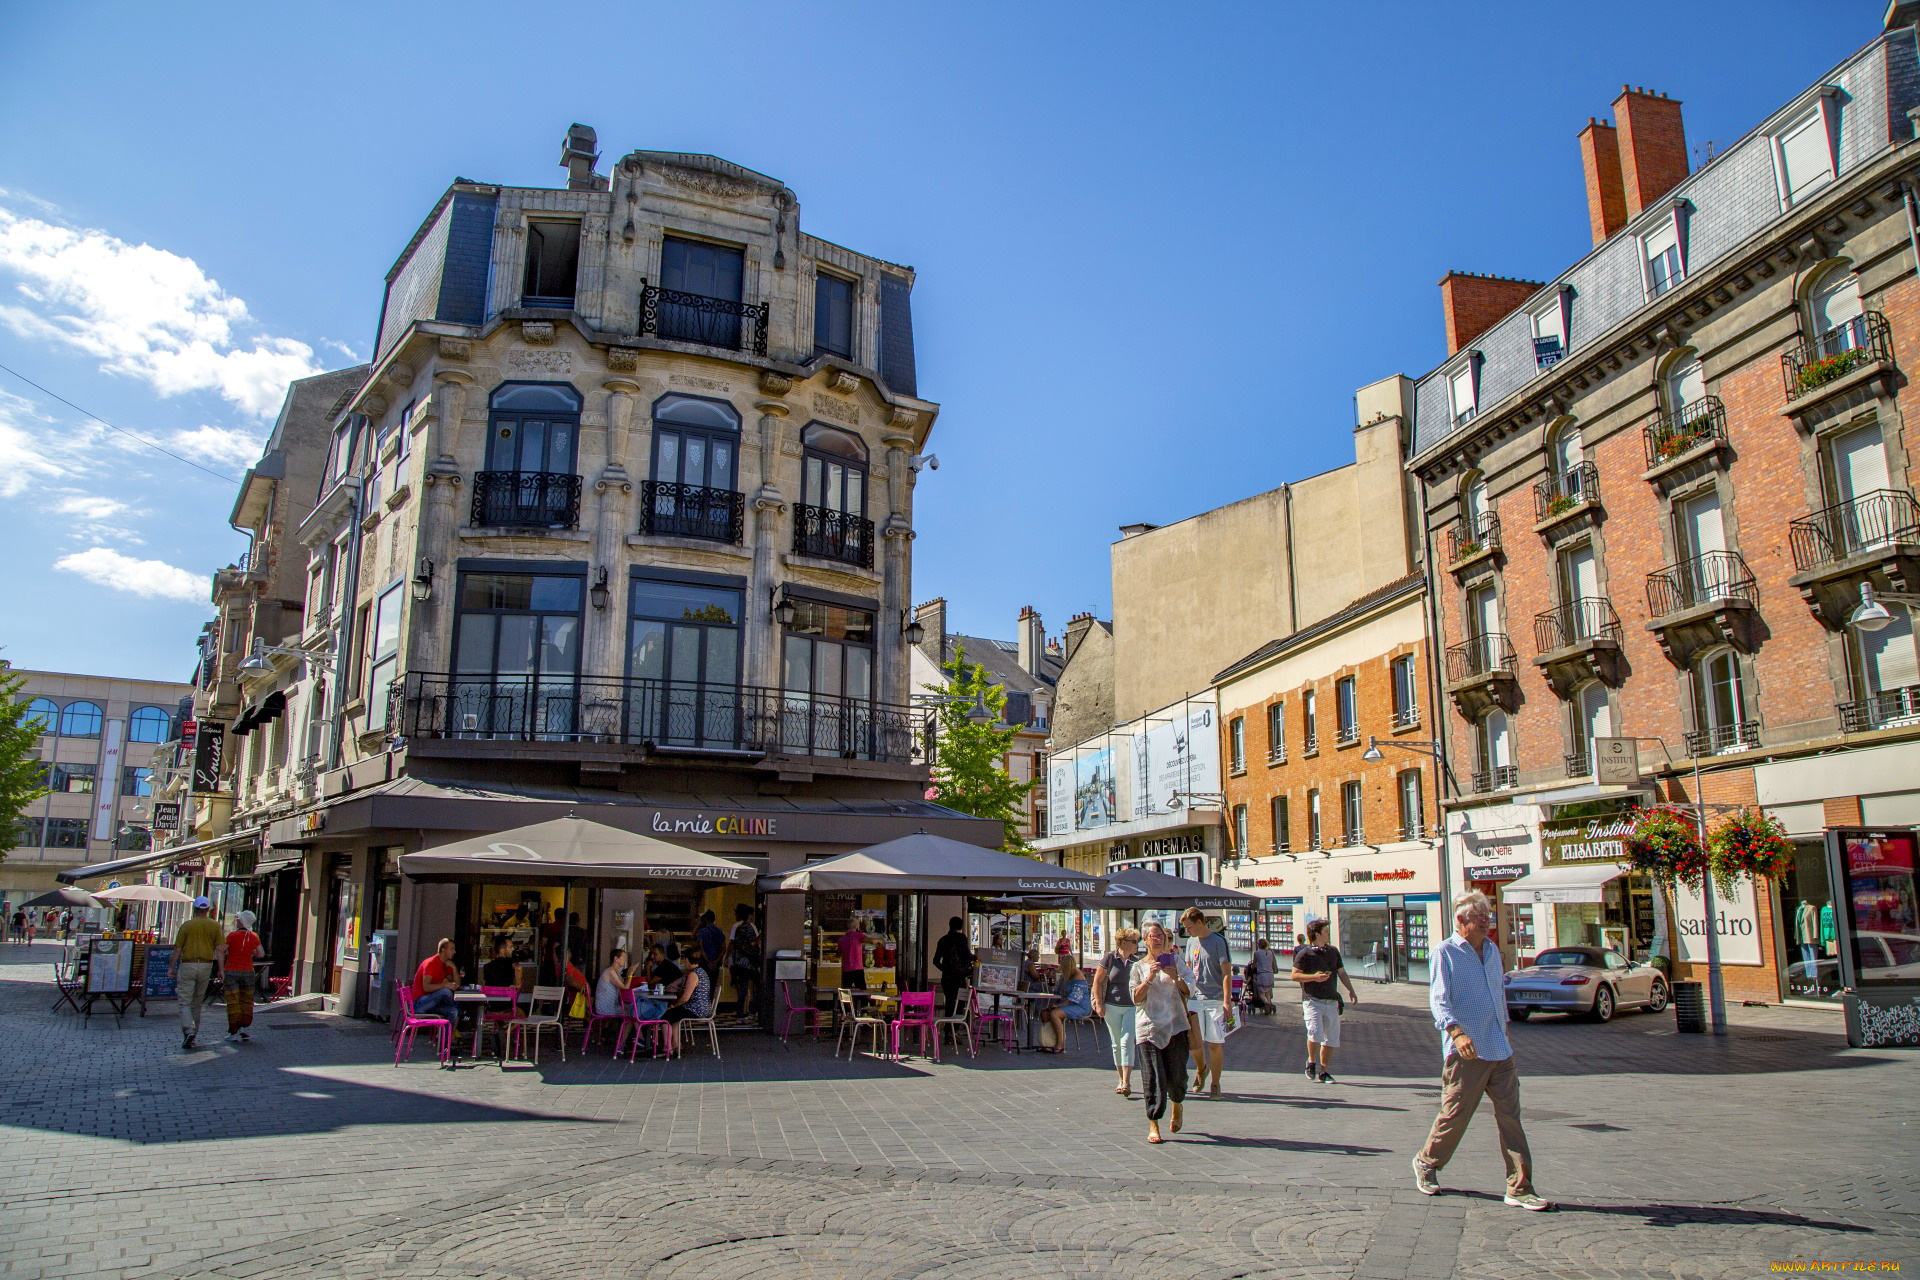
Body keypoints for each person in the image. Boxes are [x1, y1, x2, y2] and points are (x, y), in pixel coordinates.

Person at [1413, 891, 1548, 1211]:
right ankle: (1426, 1161)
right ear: (1461, 920)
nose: (1488, 923)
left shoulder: (1491, 952)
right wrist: (1456, 1033)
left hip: (1499, 1049)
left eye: (1488, 917)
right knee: (1455, 1115)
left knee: (1510, 1118)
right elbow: (1439, 1000)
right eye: (1482, 918)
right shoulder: (1444, 952)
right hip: (1466, 1051)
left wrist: (1505, 1027)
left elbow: (1497, 994)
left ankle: (1519, 1186)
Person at [1130, 921, 1194, 1144]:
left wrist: (1176, 977)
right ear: (1145, 941)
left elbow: (1191, 990)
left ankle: (1177, 1103)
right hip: (1148, 1028)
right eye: (1152, 936)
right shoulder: (1138, 967)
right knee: (1153, 1076)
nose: (1157, 939)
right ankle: (1153, 1123)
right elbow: (1136, 999)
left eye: (1160, 936)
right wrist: (1149, 978)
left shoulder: (1175, 961)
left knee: (1176, 1076)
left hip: (1175, 1024)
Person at [1291, 918, 1359, 1083]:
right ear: (1316, 934)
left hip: (1331, 1000)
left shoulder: (1333, 951)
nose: (1329, 934)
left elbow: (1341, 972)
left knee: (1331, 1038)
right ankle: (1311, 1061)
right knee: (1315, 1033)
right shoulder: (1305, 953)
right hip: (1312, 1000)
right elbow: (1294, 975)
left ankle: (1324, 1071)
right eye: (1326, 932)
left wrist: (1351, 989)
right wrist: (1314, 977)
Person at [1180, 907, 1232, 1098]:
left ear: (1200, 923)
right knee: (1193, 1042)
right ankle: (1202, 1068)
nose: (1188, 931)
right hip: (1194, 998)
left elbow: (1226, 973)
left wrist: (1227, 1001)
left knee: (1213, 1043)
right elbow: (1187, 969)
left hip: (1214, 999)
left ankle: (1216, 1083)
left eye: (1190, 926)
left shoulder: (1218, 942)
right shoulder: (1191, 942)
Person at [169, 898, 225, 1051]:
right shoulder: (215, 926)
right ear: (208, 910)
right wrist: (221, 970)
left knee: (184, 1001)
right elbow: (220, 950)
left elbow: (178, 949)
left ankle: (189, 1030)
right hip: (206, 965)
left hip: (188, 965)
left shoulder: (187, 925)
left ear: (194, 909)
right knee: (197, 1002)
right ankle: (193, 1035)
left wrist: (171, 967)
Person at [1092, 927, 1140, 1097]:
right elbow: (1097, 982)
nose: (1137, 944)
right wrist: (1099, 1004)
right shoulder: (1110, 958)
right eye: (1134, 941)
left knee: (1127, 1040)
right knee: (1116, 1042)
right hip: (1111, 1005)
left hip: (1132, 1006)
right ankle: (1120, 1078)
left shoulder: (1137, 960)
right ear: (1123, 942)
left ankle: (1126, 1081)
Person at [221, 910, 262, 1043]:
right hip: (248, 971)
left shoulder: (232, 936)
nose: (236, 921)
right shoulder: (253, 936)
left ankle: (233, 1031)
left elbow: (222, 950)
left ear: (241, 922)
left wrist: (221, 969)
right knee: (246, 1000)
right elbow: (261, 953)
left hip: (232, 970)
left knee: (233, 1001)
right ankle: (243, 1028)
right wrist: (251, 951)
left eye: (238, 919)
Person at [1040, 954, 1092, 1053]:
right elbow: (1057, 990)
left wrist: (1059, 1005)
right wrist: (1053, 1000)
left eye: (1061, 963)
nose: (1059, 965)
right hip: (1066, 1004)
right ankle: (1050, 1040)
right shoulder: (1065, 976)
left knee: (1055, 1014)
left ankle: (1060, 1043)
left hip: (1079, 1006)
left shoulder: (1078, 976)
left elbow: (1075, 998)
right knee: (1045, 1012)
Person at [663, 955, 713, 1054]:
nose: (684, 963)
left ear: (689, 961)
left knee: (666, 1014)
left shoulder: (693, 975)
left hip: (697, 1009)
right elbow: (674, 985)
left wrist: (673, 1005)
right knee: (675, 1016)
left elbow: (685, 998)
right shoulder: (700, 972)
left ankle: (667, 1047)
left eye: (685, 960)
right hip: (703, 1008)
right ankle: (676, 1045)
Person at [411, 938, 462, 1025]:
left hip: (432, 1004)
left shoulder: (445, 965)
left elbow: (456, 984)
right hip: (418, 1004)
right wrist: (445, 985)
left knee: (453, 1011)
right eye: (452, 949)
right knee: (445, 991)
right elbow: (426, 987)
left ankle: (444, 1038)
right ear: (443, 950)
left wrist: (454, 969)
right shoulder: (431, 963)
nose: (454, 952)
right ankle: (462, 1011)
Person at [724, 903, 761, 1020]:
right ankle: (752, 1009)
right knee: (758, 985)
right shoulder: (752, 927)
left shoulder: (737, 927)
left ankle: (740, 1011)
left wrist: (727, 958)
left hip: (739, 962)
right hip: (750, 962)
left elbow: (732, 943)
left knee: (742, 987)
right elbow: (753, 944)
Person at [932, 916, 973, 1017]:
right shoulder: (962, 938)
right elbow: (966, 955)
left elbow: (935, 961)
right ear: (961, 926)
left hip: (947, 978)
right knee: (960, 1002)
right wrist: (976, 958)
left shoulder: (942, 940)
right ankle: (956, 1026)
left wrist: (945, 970)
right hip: (959, 978)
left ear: (949, 925)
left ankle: (947, 1028)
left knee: (949, 1002)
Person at [595, 949, 634, 1018]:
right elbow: (625, 988)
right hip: (605, 1007)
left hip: (610, 1005)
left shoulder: (616, 972)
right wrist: (630, 974)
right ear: (616, 958)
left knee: (632, 1009)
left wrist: (628, 975)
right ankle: (629, 1029)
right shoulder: (611, 972)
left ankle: (626, 1029)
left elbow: (624, 984)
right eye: (624, 957)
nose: (625, 960)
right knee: (633, 1010)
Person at [694, 910, 725, 987]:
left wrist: (708, 961)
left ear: (705, 919)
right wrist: (715, 962)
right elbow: (723, 949)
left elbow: (701, 948)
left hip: (705, 962)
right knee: (713, 984)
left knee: (704, 984)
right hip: (716, 962)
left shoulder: (702, 931)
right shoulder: (720, 932)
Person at [1245, 937, 1276, 1013]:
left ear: (1259, 945)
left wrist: (1252, 967)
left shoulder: (1257, 953)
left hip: (1262, 975)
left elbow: (1253, 965)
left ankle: (1267, 1004)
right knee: (1268, 991)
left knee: (1261, 993)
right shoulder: (1271, 952)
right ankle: (1269, 1008)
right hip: (1270, 974)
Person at [837, 924, 868, 990]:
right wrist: (879, 941)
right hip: (857, 968)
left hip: (846, 969)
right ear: (856, 926)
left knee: (846, 992)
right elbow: (871, 941)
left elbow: (838, 954)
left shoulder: (842, 939)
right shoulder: (858, 935)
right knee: (861, 991)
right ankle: (861, 1000)